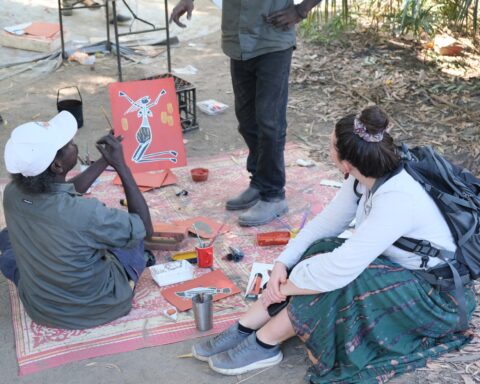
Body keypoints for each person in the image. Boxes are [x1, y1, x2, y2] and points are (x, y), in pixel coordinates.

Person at [190, 106, 477, 381]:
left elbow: (340, 269)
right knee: (322, 248)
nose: (328, 150)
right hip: (402, 273)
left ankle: (266, 342)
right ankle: (246, 325)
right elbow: (325, 225)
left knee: (341, 280)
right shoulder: (364, 175)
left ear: (347, 163)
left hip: (437, 298)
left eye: (331, 146)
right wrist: (283, 263)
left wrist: (281, 289)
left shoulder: (398, 199)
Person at [170, 0, 322, 226]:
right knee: (247, 121)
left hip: (273, 39)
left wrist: (300, 10)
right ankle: (259, 182)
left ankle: (273, 195)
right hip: (238, 40)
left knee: (269, 122)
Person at [0, 111, 154, 330]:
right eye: (69, 143)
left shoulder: (12, 193)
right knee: (132, 238)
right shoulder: (87, 212)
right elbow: (146, 228)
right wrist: (122, 167)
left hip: (41, 307)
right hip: (98, 306)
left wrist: (104, 162)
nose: (74, 144)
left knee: (8, 238)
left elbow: (64, 191)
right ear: (57, 166)